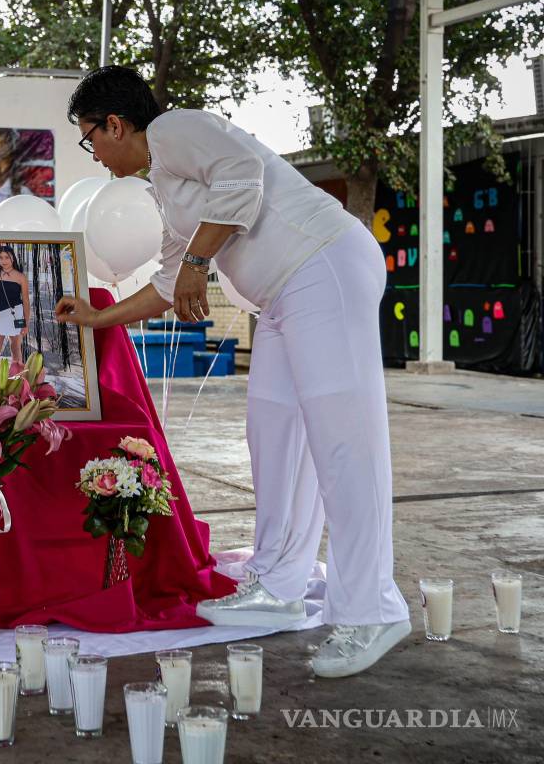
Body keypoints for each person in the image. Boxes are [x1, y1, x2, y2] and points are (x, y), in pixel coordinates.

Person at [55, 65, 410, 679]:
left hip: (322, 267)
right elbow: (168, 283)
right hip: (279, 298)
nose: (95, 154)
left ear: (116, 123)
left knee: (343, 443)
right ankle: (278, 580)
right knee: (273, 436)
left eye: (91, 138)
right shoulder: (163, 184)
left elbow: (241, 178)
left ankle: (373, 607)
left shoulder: (176, 130)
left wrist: (197, 259)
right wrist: (95, 319)